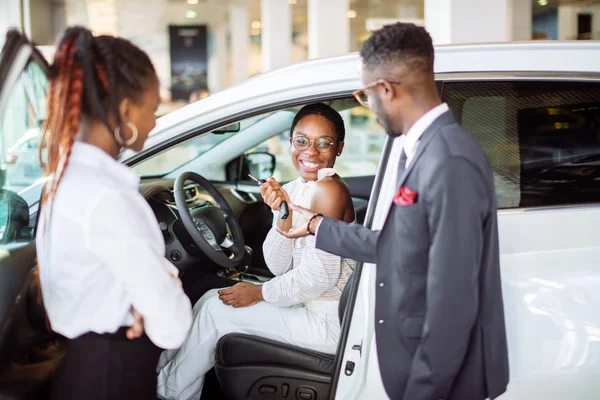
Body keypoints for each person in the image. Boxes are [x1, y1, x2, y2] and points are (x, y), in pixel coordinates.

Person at [279, 23, 510, 400]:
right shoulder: (423, 149)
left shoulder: (448, 160)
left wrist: (422, 390)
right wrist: (316, 225)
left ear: (385, 89)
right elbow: (400, 244)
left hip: (436, 381)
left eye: (364, 95)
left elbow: (453, 301)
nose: (367, 106)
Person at [156, 103, 356, 400]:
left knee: (215, 309)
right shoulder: (297, 188)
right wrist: (282, 214)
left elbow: (319, 278)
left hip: (331, 322)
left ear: (338, 148)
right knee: (211, 297)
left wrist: (259, 293)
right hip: (308, 306)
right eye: (301, 141)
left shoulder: (329, 190)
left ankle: (167, 392)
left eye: (323, 143)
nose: (310, 152)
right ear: (290, 143)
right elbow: (277, 265)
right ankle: (161, 378)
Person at [35, 26, 192, 400]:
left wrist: (140, 298)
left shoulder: (66, 181)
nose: (155, 122)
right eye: (153, 109)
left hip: (83, 366)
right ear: (125, 110)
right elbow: (172, 327)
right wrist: (165, 287)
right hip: (113, 373)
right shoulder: (107, 198)